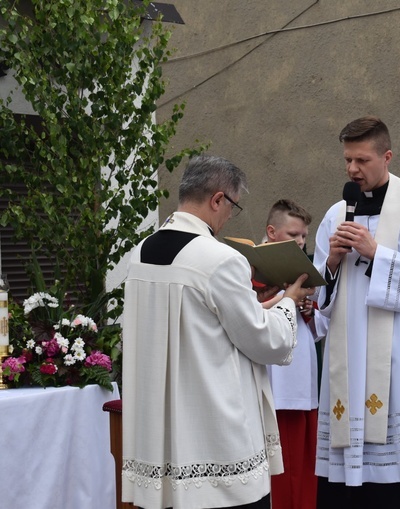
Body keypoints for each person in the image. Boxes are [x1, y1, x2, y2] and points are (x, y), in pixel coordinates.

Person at [121, 155, 315, 509]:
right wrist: (288, 301)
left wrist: (265, 307)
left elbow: (205, 323)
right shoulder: (219, 259)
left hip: (159, 441)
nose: (229, 218)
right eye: (233, 207)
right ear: (217, 200)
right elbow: (265, 341)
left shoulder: (141, 254)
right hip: (216, 447)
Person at [312, 116, 400, 508]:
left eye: (362, 160)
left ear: (387, 157)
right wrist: (332, 265)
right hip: (346, 374)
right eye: (348, 160)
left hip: (399, 375)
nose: (353, 169)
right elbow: (320, 299)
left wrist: (376, 254)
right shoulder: (336, 214)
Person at [261, 199, 320, 509]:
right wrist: (285, 297)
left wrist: (310, 309)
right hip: (273, 379)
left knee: (303, 465)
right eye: (293, 234)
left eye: (304, 236)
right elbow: (248, 315)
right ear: (272, 232)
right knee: (279, 467)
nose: (301, 242)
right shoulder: (250, 267)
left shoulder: (305, 269)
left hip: (300, 376)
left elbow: (318, 323)